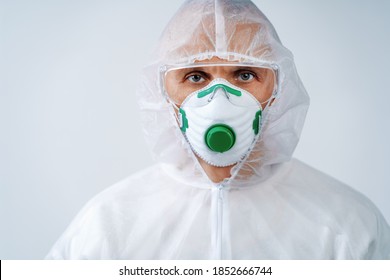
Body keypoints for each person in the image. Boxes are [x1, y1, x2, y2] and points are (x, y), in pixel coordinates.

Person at [46, 0, 390, 259]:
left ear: (278, 90)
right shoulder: (107, 227)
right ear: (163, 92)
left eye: (245, 75)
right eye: (195, 77)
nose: (219, 100)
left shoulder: (348, 227)